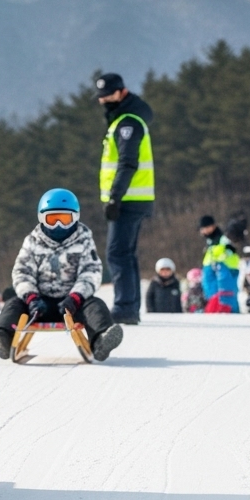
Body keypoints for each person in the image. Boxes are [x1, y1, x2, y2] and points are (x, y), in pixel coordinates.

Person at [0, 188, 124, 361]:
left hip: (72, 305)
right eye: (52, 219)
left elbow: (91, 271)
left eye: (64, 219)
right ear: (42, 219)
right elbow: (22, 272)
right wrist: (31, 298)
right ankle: (2, 338)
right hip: (39, 305)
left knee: (95, 305)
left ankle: (101, 339)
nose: (58, 225)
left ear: (75, 218)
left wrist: (76, 297)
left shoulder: (83, 239)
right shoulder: (33, 241)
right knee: (13, 305)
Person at [96, 72, 154, 325]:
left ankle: (125, 307)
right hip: (132, 199)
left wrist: (115, 198)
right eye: (101, 96)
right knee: (126, 254)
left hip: (128, 200)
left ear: (122, 92)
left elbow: (127, 163)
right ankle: (130, 306)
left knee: (117, 254)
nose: (104, 100)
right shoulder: (124, 119)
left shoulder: (128, 123)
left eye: (108, 95)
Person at [204, 217, 246, 313]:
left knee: (227, 300)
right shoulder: (211, 241)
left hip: (225, 273)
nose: (204, 231)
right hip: (217, 276)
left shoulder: (223, 239)